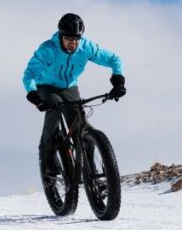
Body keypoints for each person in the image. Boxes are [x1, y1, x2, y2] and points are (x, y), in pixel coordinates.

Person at [22, 13, 125, 173]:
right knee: (54, 107)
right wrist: (33, 95)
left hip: (69, 87)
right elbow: (29, 75)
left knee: (82, 129)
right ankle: (48, 152)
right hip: (46, 86)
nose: (73, 43)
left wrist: (118, 80)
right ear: (61, 36)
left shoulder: (86, 47)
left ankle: (91, 172)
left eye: (76, 39)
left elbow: (114, 59)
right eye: (69, 39)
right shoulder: (48, 50)